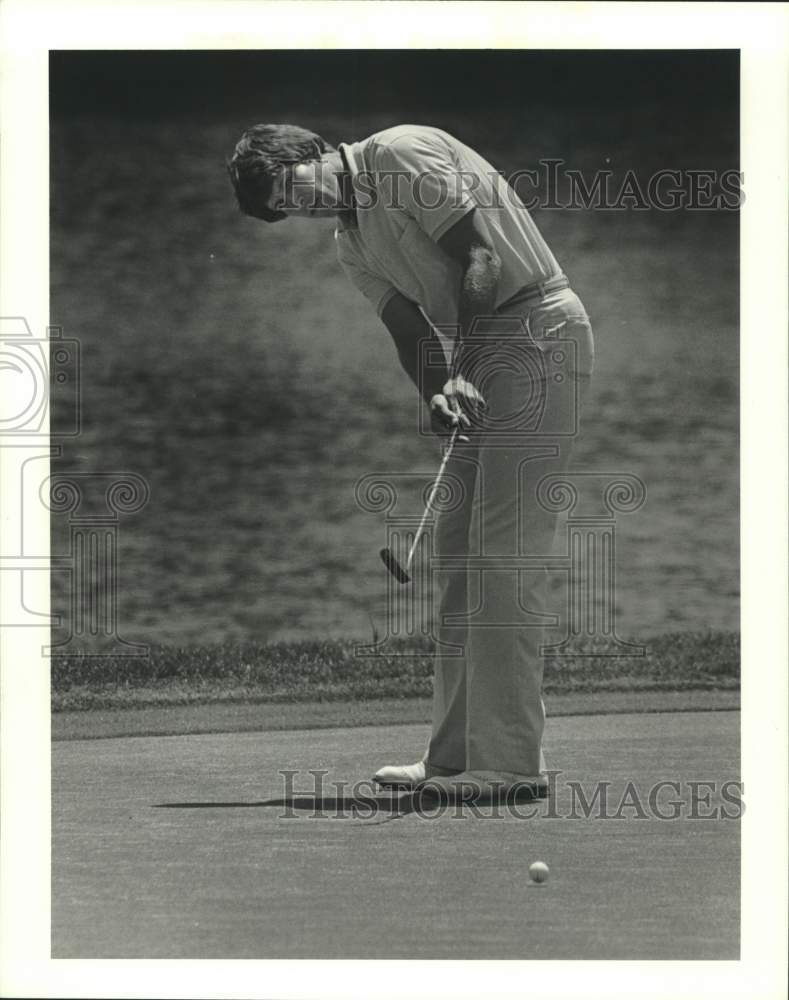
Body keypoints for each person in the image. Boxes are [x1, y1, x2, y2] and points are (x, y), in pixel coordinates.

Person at [227, 123, 594, 803]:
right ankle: (454, 756)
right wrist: (436, 391)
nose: (298, 206)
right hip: (484, 351)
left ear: (309, 153)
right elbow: (409, 330)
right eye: (283, 209)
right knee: (458, 554)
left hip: (536, 333)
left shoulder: (398, 153)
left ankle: (511, 763)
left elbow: (479, 258)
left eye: (289, 187)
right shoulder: (351, 240)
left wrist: (465, 368)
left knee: (501, 554)